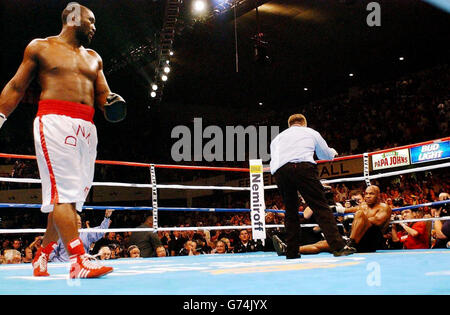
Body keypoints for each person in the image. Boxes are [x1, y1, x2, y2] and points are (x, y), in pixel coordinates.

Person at [0, 3, 126, 278]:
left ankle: (41, 256)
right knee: (64, 196)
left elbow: (104, 94)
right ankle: (78, 260)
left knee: (68, 201)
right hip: (55, 120)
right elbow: (16, 86)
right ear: (73, 18)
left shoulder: (94, 57)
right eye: (90, 21)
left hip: (87, 128)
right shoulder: (41, 48)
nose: (94, 27)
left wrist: (112, 103)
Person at [269, 114, 355, 259]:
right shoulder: (310, 132)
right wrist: (333, 153)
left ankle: (292, 252)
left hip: (280, 173)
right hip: (303, 168)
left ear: (290, 124)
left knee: (291, 212)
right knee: (320, 207)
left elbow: (275, 159)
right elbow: (325, 155)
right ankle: (338, 247)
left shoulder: (277, 138)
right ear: (304, 123)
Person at [336, 185, 392, 252]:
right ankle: (350, 244)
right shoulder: (363, 205)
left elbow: (377, 221)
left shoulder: (384, 207)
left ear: (378, 195)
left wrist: (360, 221)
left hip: (371, 240)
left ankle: (350, 244)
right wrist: (330, 209)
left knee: (359, 214)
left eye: (371, 193)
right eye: (366, 193)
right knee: (322, 245)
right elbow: (345, 210)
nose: (368, 196)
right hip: (357, 239)